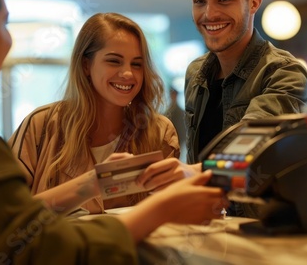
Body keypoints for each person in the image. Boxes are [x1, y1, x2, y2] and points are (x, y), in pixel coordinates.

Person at [0, 0, 227, 265]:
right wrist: (159, 208)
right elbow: (29, 243)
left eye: (137, 64)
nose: (8, 40)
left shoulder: (158, 129)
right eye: (3, 23)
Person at [9, 12, 184, 215]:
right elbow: (8, 213)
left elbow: (169, 213)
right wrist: (92, 183)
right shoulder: (41, 125)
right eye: (114, 61)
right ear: (85, 65)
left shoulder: (158, 132)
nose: (128, 73)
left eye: (136, 64)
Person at [183, 0, 307, 216]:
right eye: (199, 1)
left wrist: (187, 174)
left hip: (259, 238)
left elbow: (250, 155)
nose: (209, 14)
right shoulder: (195, 73)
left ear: (254, 2)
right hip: (206, 231)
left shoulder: (283, 72)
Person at [165, 87, 187, 161]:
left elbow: (182, 127)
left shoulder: (178, 111)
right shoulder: (170, 110)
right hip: (171, 138)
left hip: (178, 138)